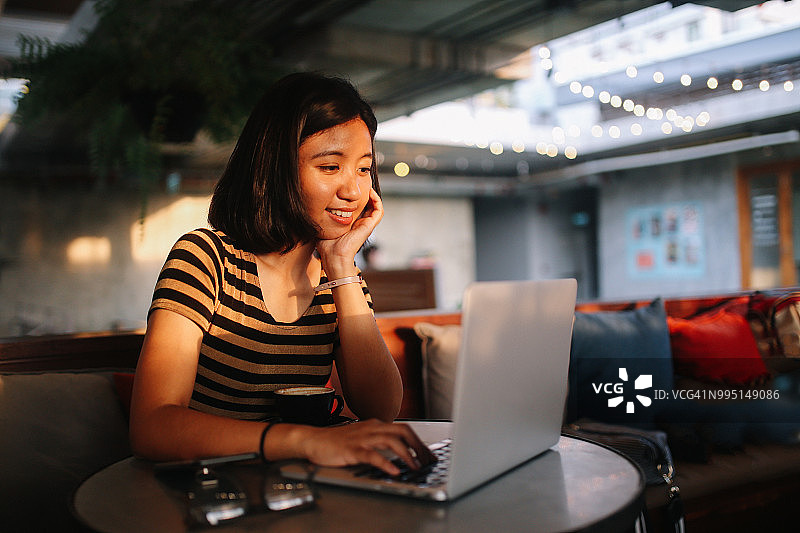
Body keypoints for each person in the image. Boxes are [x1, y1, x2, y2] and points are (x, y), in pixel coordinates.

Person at [129, 72, 434, 475]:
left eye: (364, 169)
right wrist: (307, 441)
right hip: (211, 488)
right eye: (330, 167)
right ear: (276, 168)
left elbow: (380, 409)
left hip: (296, 485)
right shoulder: (207, 258)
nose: (354, 190)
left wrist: (342, 267)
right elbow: (152, 426)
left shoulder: (339, 282)